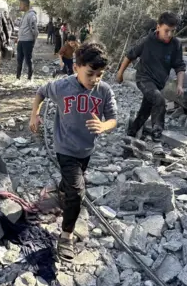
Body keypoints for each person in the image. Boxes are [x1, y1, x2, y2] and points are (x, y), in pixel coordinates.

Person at [29, 42, 117, 262]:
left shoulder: (104, 91)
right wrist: (34, 114)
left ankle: (61, 190)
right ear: (76, 67)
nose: (95, 78)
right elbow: (41, 92)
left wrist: (104, 126)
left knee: (72, 181)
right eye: (90, 73)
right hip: (64, 147)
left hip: (86, 148)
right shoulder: (62, 87)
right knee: (77, 192)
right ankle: (66, 235)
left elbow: (113, 119)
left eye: (100, 74)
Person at [116, 12, 186, 155]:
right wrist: (120, 73)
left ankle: (131, 133)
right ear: (158, 27)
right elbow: (130, 56)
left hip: (159, 82)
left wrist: (180, 84)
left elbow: (180, 66)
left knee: (146, 110)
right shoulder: (147, 41)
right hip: (143, 78)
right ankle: (156, 140)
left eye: (172, 31)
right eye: (166, 31)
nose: (169, 34)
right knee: (159, 100)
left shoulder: (176, 44)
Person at [15, 0, 39, 84]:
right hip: (21, 41)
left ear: (25, 5)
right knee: (19, 60)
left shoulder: (31, 15)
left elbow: (35, 31)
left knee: (28, 60)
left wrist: (32, 41)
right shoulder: (24, 14)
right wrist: (18, 38)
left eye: (20, 4)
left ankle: (30, 79)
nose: (19, 6)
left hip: (28, 41)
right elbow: (22, 28)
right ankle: (18, 78)